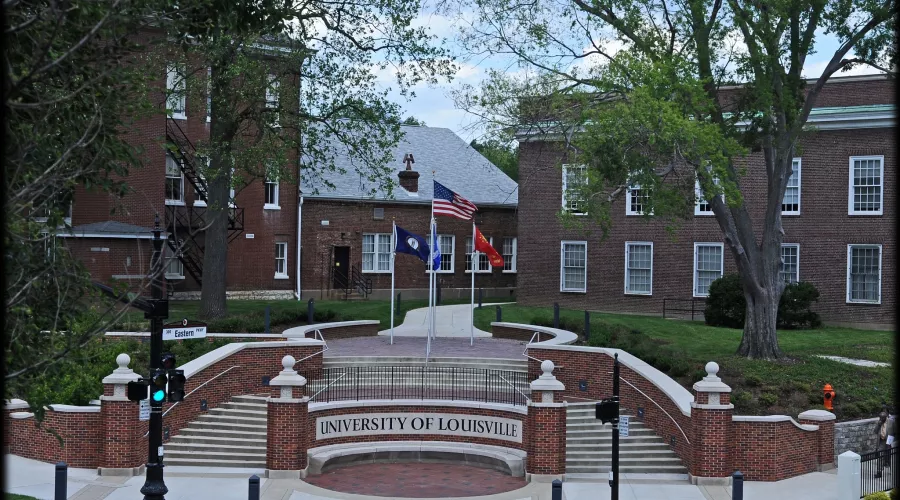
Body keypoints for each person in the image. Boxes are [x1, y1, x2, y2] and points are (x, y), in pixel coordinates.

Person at [874, 408, 893, 478]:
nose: (881, 419)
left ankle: (892, 470)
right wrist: (878, 425)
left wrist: (889, 443)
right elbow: (875, 431)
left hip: (889, 441)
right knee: (880, 456)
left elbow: (894, 432)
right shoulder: (879, 422)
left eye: (882, 418)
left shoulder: (891, 422)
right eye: (880, 418)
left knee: (890, 456)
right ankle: (879, 472)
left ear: (886, 417)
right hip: (882, 441)